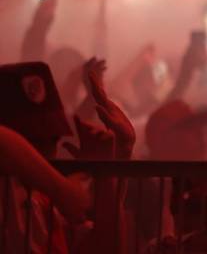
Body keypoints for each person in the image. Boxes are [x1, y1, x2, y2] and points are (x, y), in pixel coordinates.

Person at [0, 61, 130, 253]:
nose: (44, 151)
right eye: (29, 140)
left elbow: (105, 247)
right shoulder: (10, 194)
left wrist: (109, 168)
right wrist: (62, 190)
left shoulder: (44, 203)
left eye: (51, 137)